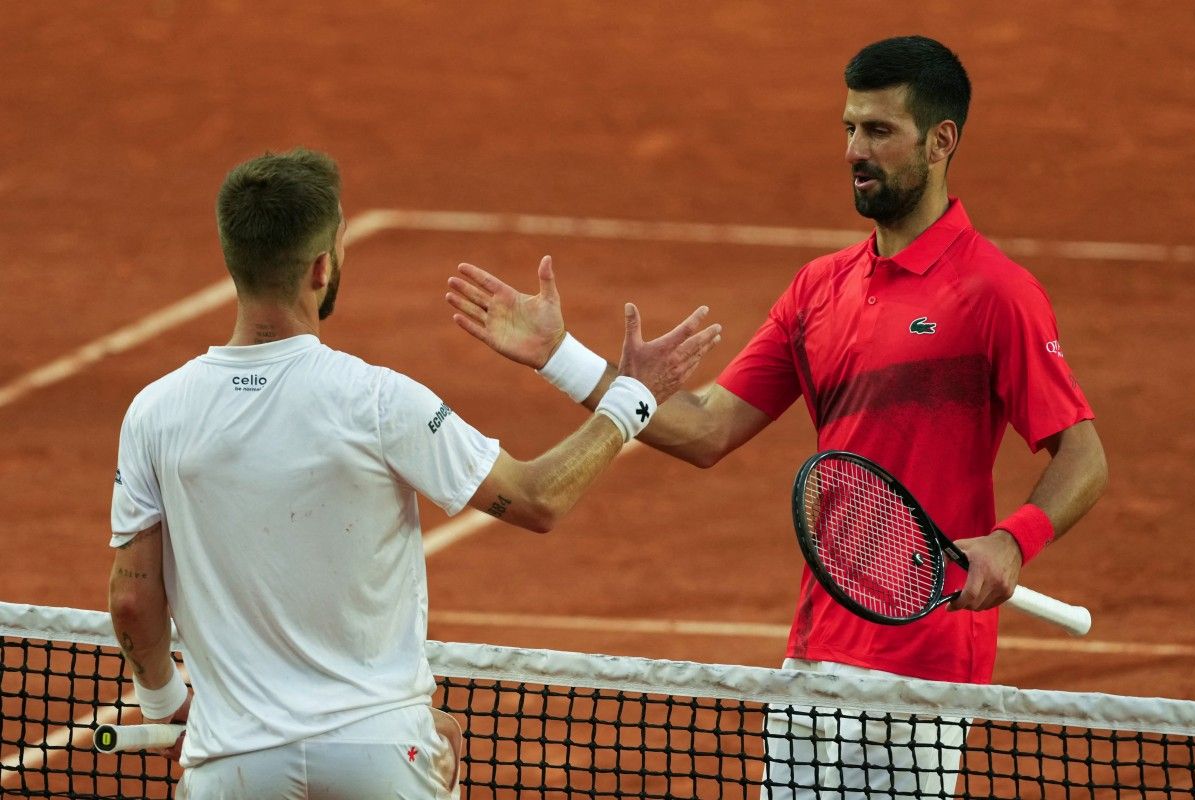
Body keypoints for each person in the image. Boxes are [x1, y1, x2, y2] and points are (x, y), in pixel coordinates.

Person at [444, 35, 1108, 798]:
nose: (855, 151)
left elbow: (1083, 455)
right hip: (816, 653)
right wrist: (561, 356)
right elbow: (706, 428)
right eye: (849, 128)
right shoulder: (819, 289)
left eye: (880, 131)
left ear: (941, 141)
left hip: (925, 671)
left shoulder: (995, 294)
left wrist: (1013, 542)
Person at [107, 148, 722, 800]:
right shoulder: (377, 400)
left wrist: (164, 703)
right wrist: (632, 399)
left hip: (234, 766)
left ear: (234, 260)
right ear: (321, 267)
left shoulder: (155, 413)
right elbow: (537, 499)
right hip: (378, 754)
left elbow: (132, 602)